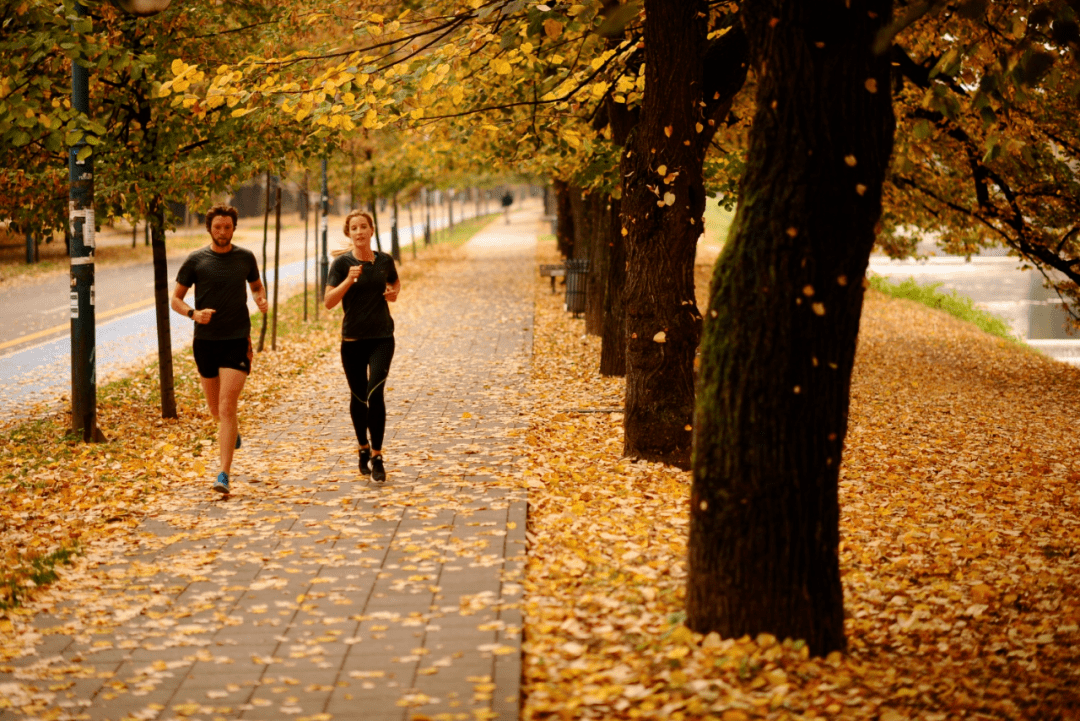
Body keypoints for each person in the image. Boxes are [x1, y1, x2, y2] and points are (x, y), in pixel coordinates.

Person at [171, 204, 267, 495]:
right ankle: (231, 432)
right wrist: (193, 314)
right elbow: (176, 299)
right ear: (209, 229)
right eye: (217, 227)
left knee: (227, 406)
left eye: (227, 227)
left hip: (237, 338)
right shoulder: (196, 260)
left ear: (234, 228)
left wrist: (261, 300)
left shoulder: (245, 257)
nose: (222, 232)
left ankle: (223, 473)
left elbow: (257, 287)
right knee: (215, 410)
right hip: (205, 341)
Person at [325, 209, 401, 482]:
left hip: (382, 337)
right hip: (353, 340)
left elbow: (394, 283)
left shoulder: (384, 261)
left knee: (375, 394)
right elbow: (329, 302)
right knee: (358, 397)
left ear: (371, 230)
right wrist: (348, 279)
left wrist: (393, 293)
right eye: (354, 228)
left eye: (363, 227)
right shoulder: (341, 264)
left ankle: (377, 456)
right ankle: (362, 447)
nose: (359, 232)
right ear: (349, 233)